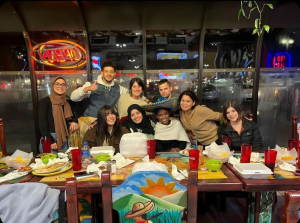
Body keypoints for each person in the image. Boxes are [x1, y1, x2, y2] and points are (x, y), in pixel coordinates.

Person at [70, 61, 150, 118]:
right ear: (102, 73)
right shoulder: (90, 85)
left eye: (111, 72)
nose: (109, 74)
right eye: (106, 71)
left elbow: (134, 93)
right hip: (90, 121)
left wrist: (146, 100)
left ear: (115, 74)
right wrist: (87, 89)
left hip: (109, 123)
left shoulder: (119, 89)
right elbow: (73, 98)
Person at [38, 76, 78, 153]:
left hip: (65, 138)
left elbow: (73, 116)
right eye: (57, 84)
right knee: (51, 164)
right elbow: (42, 123)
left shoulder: (66, 102)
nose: (60, 86)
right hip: (50, 139)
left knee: (65, 163)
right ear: (52, 86)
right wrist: (50, 140)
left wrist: (74, 121)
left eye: (63, 84)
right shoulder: (45, 102)